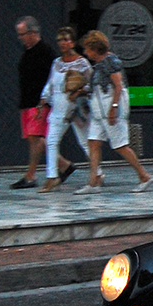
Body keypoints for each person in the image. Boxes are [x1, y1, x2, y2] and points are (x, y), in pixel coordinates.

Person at [76, 30, 153, 194]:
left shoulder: (110, 61)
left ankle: (144, 176)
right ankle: (93, 182)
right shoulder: (99, 64)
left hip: (110, 111)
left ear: (94, 48)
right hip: (99, 112)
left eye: (87, 48)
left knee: (121, 146)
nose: (85, 52)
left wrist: (114, 108)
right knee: (93, 143)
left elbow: (118, 86)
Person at [33, 27, 89, 192]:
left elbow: (90, 84)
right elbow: (50, 84)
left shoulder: (82, 63)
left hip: (75, 108)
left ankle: (97, 173)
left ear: (73, 42)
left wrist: (79, 91)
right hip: (58, 106)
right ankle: (52, 177)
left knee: (85, 142)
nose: (63, 43)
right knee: (51, 141)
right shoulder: (57, 63)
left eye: (66, 39)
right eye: (60, 40)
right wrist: (42, 102)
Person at [11, 16, 56, 189]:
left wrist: (42, 102)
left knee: (35, 138)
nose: (20, 38)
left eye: (22, 34)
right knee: (34, 138)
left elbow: (51, 79)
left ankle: (31, 175)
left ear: (32, 33)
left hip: (38, 102)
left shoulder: (44, 52)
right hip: (27, 101)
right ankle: (64, 165)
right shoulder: (27, 51)